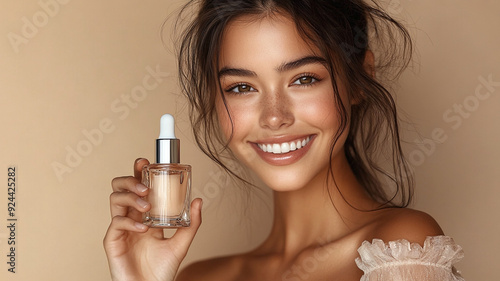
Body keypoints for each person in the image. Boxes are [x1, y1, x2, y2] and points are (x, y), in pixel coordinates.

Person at [104, 0, 464, 280]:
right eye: (242, 87)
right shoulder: (198, 277)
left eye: (304, 79)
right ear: (213, 98)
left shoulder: (402, 248)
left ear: (359, 79)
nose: (274, 116)